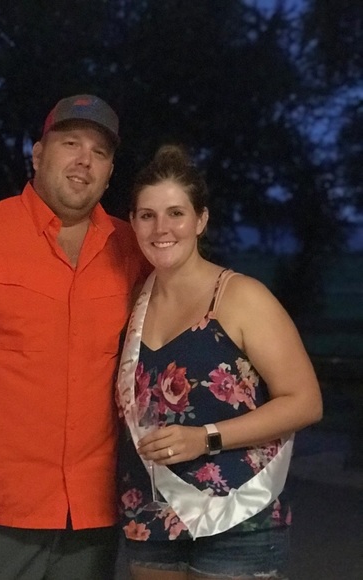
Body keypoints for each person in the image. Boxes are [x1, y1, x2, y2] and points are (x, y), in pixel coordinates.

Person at [0, 94, 148, 580]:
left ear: (109, 173)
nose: (84, 160)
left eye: (100, 152)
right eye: (70, 143)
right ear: (38, 155)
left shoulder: (134, 248)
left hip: (95, 509)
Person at [116, 144, 323, 580]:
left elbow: (305, 402)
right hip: (152, 512)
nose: (161, 228)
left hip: (238, 514)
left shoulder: (241, 297)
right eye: (147, 215)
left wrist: (205, 438)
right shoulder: (132, 301)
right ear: (132, 222)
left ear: (201, 220)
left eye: (176, 213)